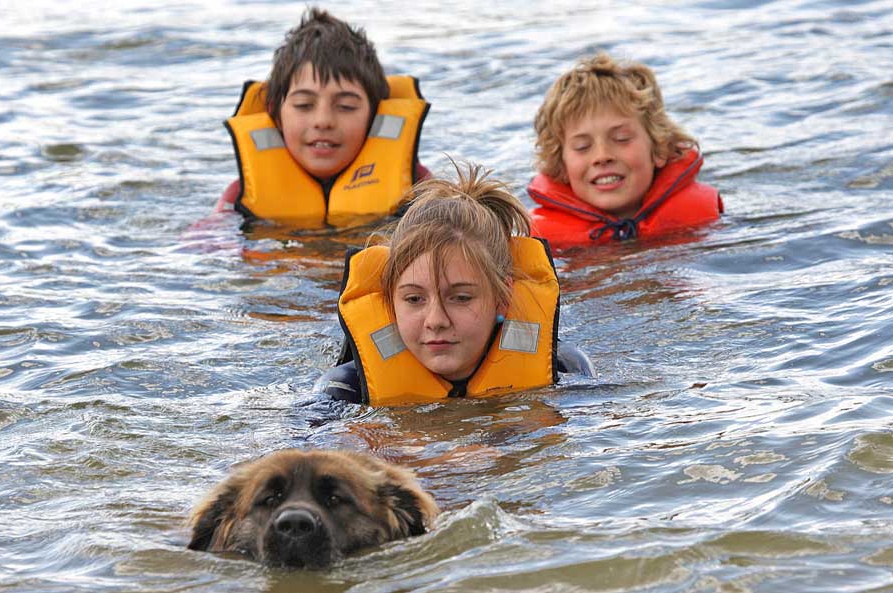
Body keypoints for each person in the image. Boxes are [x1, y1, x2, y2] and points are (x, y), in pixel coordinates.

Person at [315, 162, 594, 406]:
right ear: (390, 301)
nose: (436, 321)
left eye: (460, 298)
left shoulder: (563, 371)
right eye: (414, 299)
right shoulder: (344, 391)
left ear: (503, 297)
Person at [213, 8, 431, 229]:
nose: (323, 120)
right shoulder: (240, 199)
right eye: (304, 105)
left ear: (375, 116)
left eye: (346, 107)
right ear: (276, 114)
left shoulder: (419, 190)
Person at [527, 52, 723, 248]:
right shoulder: (537, 241)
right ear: (561, 165)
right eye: (582, 147)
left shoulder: (707, 217)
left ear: (659, 148)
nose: (602, 156)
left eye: (621, 139)